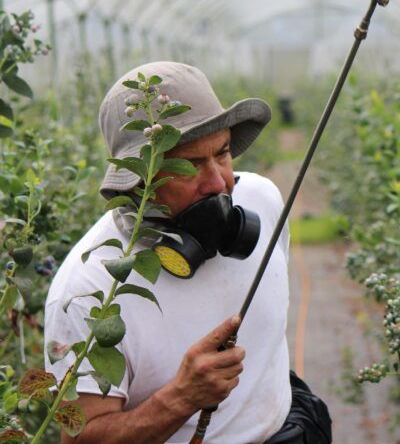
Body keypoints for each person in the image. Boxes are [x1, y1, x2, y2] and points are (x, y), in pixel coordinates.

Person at [43, 61, 331, 443]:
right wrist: (179, 398)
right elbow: (80, 439)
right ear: (137, 179)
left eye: (223, 153)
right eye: (190, 165)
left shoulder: (262, 200)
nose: (220, 183)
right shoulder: (87, 292)